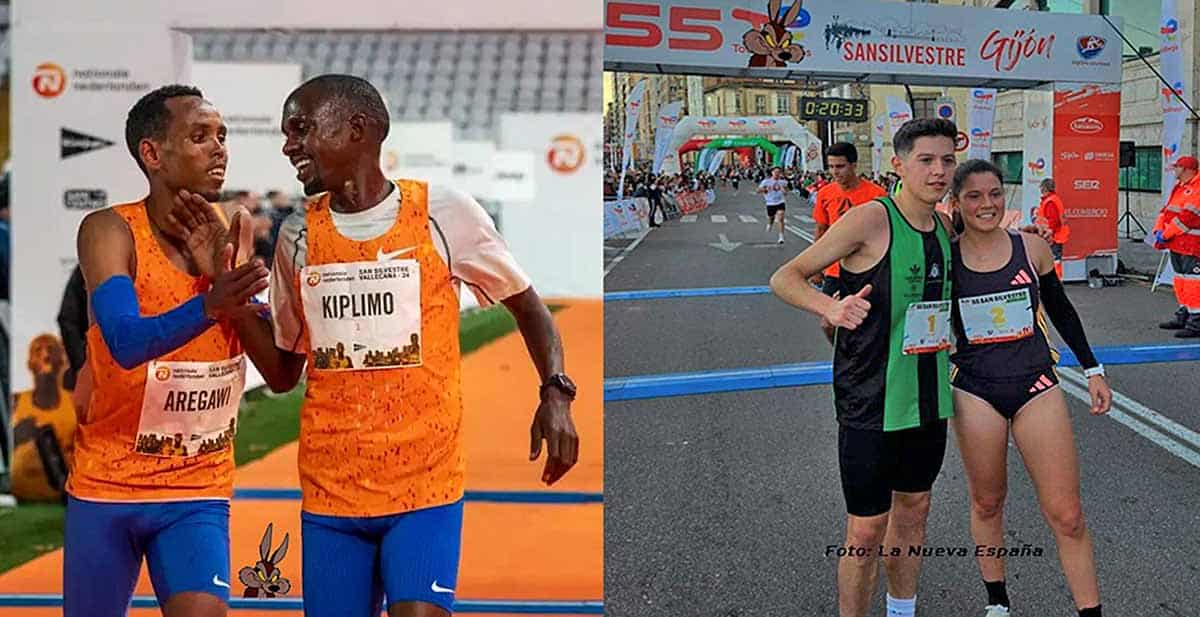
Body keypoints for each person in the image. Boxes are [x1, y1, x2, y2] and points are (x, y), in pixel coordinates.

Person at [172, 74, 580, 617]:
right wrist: (230, 293)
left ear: (357, 129)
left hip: (425, 488)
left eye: (301, 129)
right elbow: (283, 373)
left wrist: (556, 392)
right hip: (330, 491)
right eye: (287, 133)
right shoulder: (298, 235)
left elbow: (528, 307)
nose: (288, 146)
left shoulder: (443, 213)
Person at [65, 84, 267, 617]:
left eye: (222, 135)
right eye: (200, 136)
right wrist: (212, 303)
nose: (219, 148)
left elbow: (274, 365)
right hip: (108, 486)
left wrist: (221, 281)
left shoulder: (232, 229)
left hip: (197, 487)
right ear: (152, 154)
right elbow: (126, 342)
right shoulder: (109, 231)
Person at [769, 118, 959, 617]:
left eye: (947, 160)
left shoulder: (944, 226)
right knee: (866, 529)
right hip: (870, 401)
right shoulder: (872, 219)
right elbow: (786, 277)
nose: (939, 171)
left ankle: (901, 611)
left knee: (915, 511)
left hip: (929, 399)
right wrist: (830, 308)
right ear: (899, 165)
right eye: (926, 160)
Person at [947, 160, 1110, 617]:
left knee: (1068, 515)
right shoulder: (945, 256)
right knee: (987, 502)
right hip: (975, 389)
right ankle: (997, 601)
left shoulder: (1032, 248)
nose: (987, 204)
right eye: (974, 196)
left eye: (995, 193)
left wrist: (1093, 369)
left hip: (1036, 384)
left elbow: (1062, 310)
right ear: (957, 203)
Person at [811, 143, 887, 300]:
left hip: (868, 270)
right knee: (829, 314)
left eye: (840, 166)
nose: (835, 172)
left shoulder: (877, 194)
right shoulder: (825, 193)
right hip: (834, 270)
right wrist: (816, 268)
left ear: (853, 165)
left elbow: (885, 234)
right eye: (831, 167)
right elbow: (821, 231)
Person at [1153, 155, 1200, 337]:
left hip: (1192, 245)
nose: (1175, 170)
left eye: (1177, 167)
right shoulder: (1180, 187)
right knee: (1181, 281)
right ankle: (1184, 314)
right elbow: (1166, 212)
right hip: (1177, 244)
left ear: (1187, 169)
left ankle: (1196, 322)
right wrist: (1158, 229)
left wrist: (1165, 234)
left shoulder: (1197, 188)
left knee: (1193, 284)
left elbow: (1188, 218)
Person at [1036, 178, 1070, 277]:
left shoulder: (1050, 201)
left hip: (1052, 237)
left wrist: (1047, 234)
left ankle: (1054, 280)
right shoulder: (1053, 199)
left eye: (1041, 187)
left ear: (1044, 188)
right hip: (1056, 236)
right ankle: (1056, 279)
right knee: (1055, 260)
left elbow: (1053, 221)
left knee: (1052, 260)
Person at [757, 166, 789, 244]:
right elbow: (758, 190)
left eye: (778, 172)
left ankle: (781, 236)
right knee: (771, 217)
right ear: (772, 173)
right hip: (770, 202)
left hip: (780, 202)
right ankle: (770, 223)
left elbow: (786, 192)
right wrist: (765, 189)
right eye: (775, 172)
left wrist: (784, 191)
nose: (777, 174)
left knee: (780, 218)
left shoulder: (783, 182)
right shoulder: (766, 182)